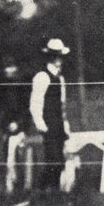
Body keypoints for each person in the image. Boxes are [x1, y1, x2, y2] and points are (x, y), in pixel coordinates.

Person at [29, 38, 71, 194]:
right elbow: (35, 103)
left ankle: (52, 192)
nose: (58, 61)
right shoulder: (42, 77)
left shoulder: (60, 79)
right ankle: (40, 191)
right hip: (48, 123)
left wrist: (65, 124)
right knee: (52, 160)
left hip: (58, 123)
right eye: (55, 57)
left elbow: (62, 104)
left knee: (60, 161)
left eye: (60, 57)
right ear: (49, 58)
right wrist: (41, 124)